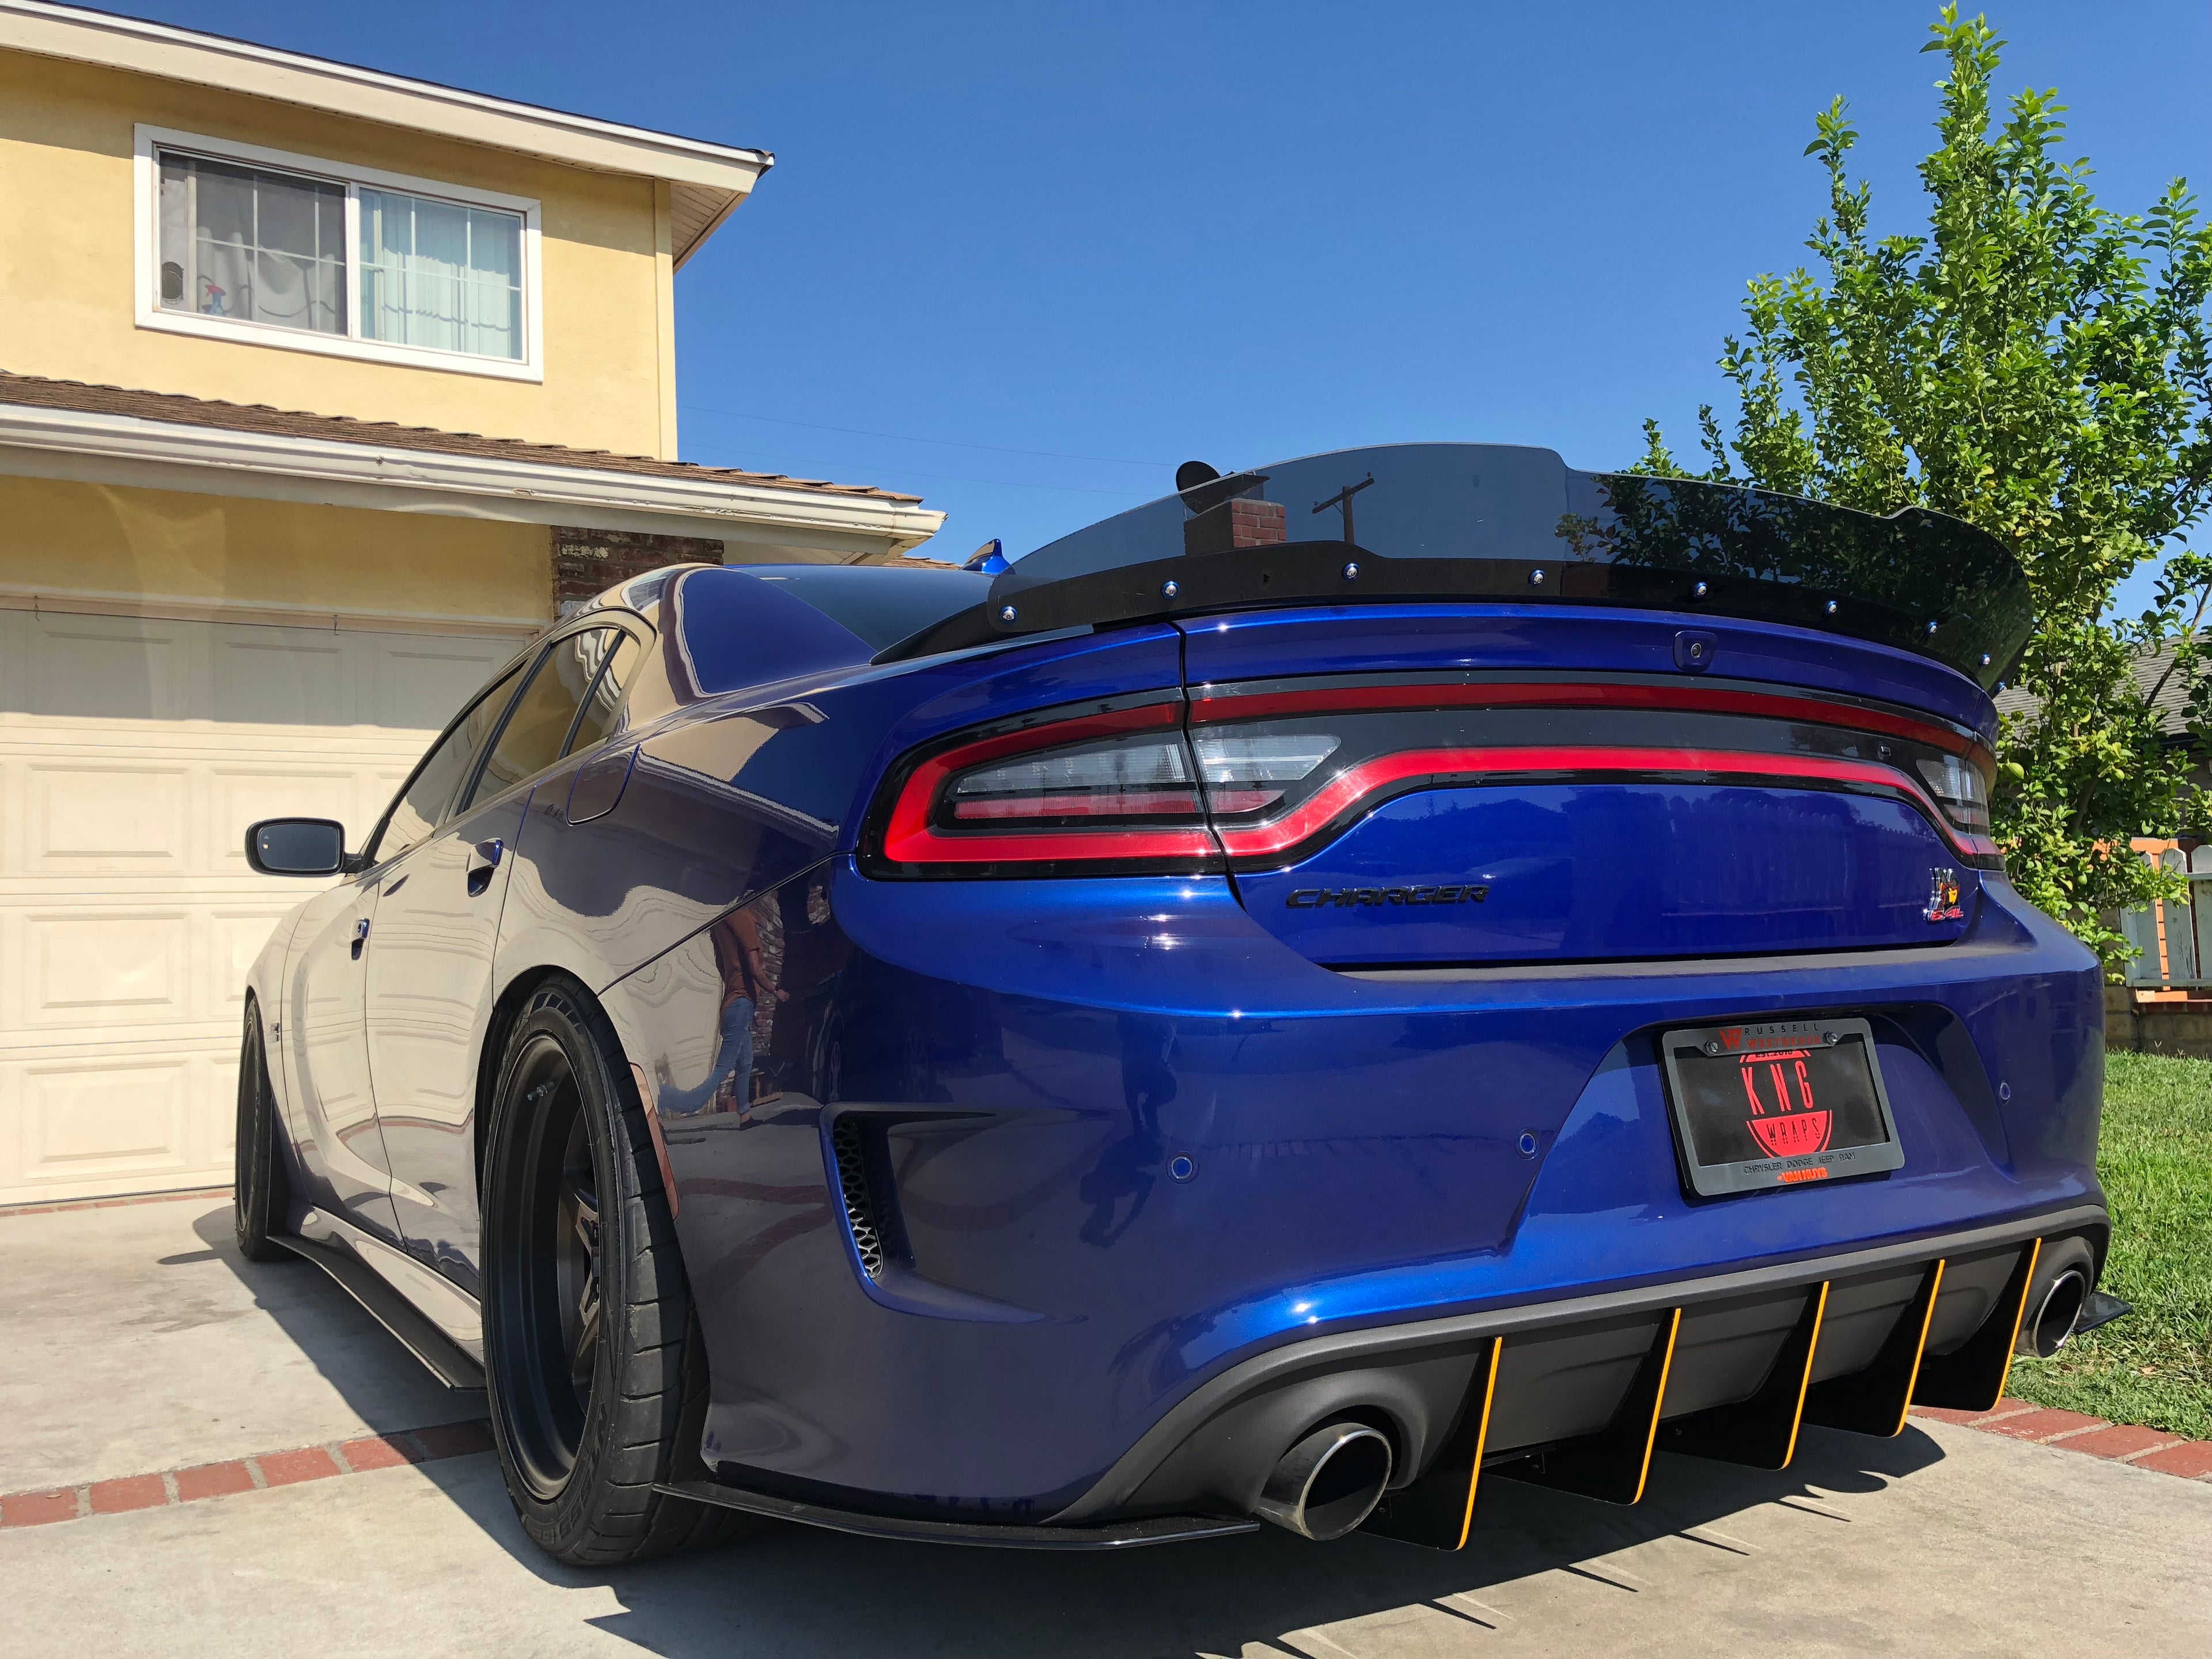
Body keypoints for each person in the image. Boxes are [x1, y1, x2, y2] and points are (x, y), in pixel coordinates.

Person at [656, 901, 785, 1122]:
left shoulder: (721, 925)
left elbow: (727, 970)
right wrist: (776, 991)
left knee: (745, 1063)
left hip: (735, 1006)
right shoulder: (743, 918)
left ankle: (745, 1115)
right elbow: (754, 968)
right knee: (721, 1071)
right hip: (740, 1004)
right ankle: (665, 1096)